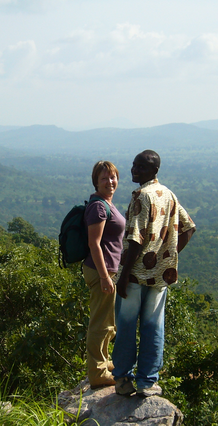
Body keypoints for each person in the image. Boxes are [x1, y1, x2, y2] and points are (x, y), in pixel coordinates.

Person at [112, 150, 196, 397]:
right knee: (153, 326)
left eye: (141, 167)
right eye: (134, 165)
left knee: (126, 326)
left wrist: (124, 275)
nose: (134, 170)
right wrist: (166, 256)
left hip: (135, 274)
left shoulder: (141, 196)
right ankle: (148, 382)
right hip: (160, 276)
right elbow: (189, 228)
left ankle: (123, 380)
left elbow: (135, 239)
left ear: (154, 171)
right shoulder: (168, 194)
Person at [83, 160, 126, 389]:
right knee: (100, 323)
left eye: (113, 177)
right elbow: (94, 243)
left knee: (107, 321)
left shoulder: (107, 203)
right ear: (96, 182)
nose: (110, 182)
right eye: (104, 178)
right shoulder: (99, 207)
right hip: (101, 270)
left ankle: (104, 361)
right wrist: (104, 276)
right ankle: (98, 373)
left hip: (107, 270)